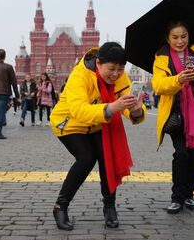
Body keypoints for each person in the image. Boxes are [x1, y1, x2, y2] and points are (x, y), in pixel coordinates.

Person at [50, 42, 146, 230]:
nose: (116, 74)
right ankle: (60, 206)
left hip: (97, 122)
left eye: (120, 69)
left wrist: (135, 111)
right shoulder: (79, 76)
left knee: (106, 157)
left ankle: (109, 207)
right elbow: (79, 111)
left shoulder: (119, 76)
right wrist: (112, 107)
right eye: (111, 69)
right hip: (69, 123)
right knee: (86, 158)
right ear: (98, 63)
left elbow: (125, 103)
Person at [152, 20, 194, 214]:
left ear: (189, 36)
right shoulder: (161, 58)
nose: (180, 41)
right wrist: (178, 79)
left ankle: (189, 194)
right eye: (175, 37)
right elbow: (158, 85)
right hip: (175, 114)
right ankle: (177, 197)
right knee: (181, 154)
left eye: (184, 36)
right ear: (168, 38)